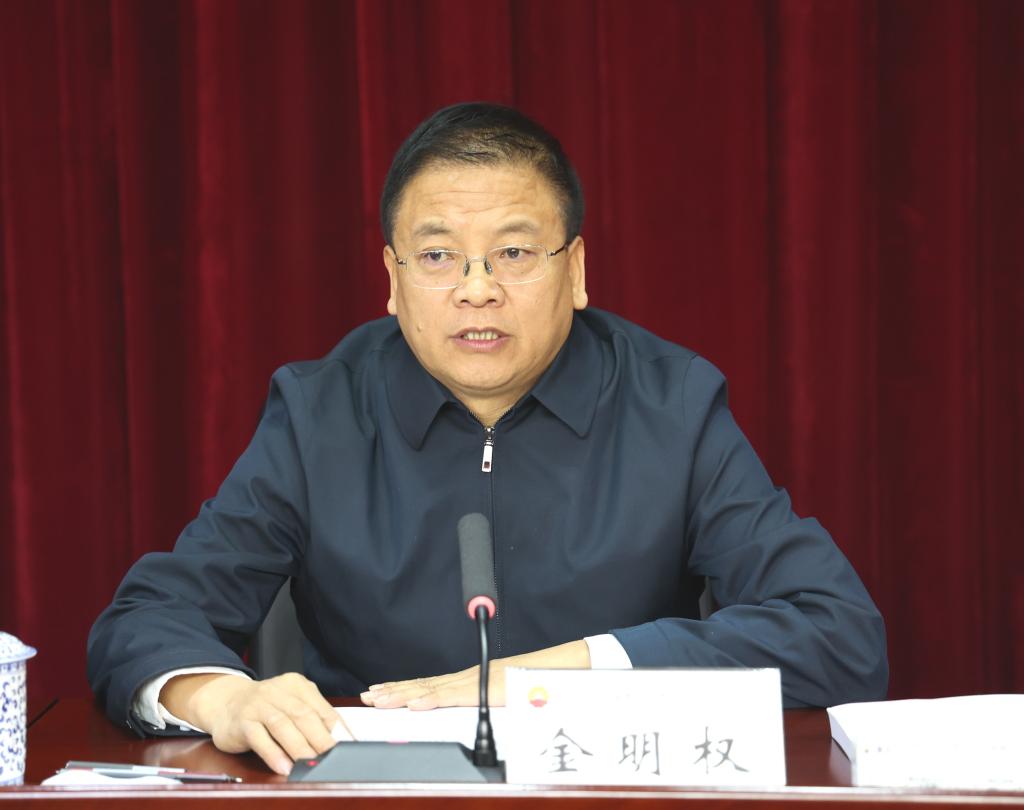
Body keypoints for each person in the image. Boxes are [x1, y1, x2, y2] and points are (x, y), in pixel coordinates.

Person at [88, 102, 888, 776]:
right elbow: (145, 618)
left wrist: (554, 678)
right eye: (439, 256)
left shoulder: (670, 404)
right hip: (376, 790)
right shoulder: (320, 412)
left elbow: (838, 635)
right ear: (394, 279)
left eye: (513, 252)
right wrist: (224, 698)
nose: (477, 290)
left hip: (608, 787)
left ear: (576, 270)